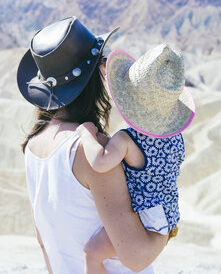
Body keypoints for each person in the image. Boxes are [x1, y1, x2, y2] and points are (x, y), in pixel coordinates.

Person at [17, 17, 169, 273]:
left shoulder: (34, 145)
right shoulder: (92, 153)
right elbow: (137, 256)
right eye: (102, 62)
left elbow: (44, 242)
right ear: (92, 78)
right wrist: (167, 226)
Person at [76, 45, 196, 274]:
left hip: (147, 219)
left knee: (92, 253)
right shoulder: (175, 137)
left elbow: (100, 162)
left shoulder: (127, 139)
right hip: (168, 215)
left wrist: (85, 133)